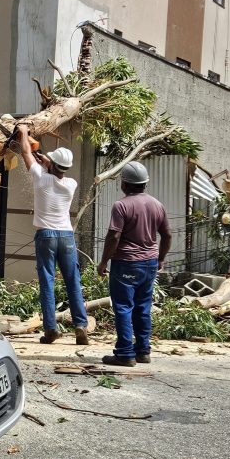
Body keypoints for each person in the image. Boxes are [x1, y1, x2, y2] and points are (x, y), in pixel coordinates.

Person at [16, 125, 89, 345]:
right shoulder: (71, 184)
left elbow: (26, 152)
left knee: (47, 281)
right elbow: (55, 173)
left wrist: (23, 133)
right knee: (72, 280)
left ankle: (51, 329)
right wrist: (49, 164)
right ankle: (80, 325)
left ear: (52, 163)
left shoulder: (40, 178)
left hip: (46, 235)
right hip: (66, 236)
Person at [97, 161, 171, 367]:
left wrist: (104, 261)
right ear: (145, 183)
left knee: (123, 308)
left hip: (126, 263)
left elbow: (114, 236)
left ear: (125, 184)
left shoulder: (121, 205)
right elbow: (167, 234)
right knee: (143, 308)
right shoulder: (158, 205)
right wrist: (161, 258)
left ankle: (125, 354)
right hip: (149, 264)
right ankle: (143, 351)